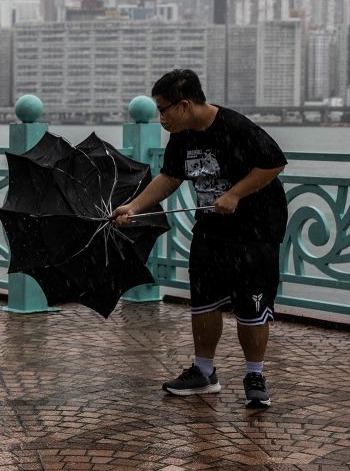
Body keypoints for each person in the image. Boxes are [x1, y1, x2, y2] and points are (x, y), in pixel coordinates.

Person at [111, 69, 287, 408]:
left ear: (185, 104)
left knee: (251, 305)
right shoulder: (183, 133)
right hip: (211, 226)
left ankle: (255, 374)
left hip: (256, 230)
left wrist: (235, 194)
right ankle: (204, 372)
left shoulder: (236, 127)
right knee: (203, 299)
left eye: (163, 109)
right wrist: (133, 206)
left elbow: (274, 163)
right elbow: (170, 177)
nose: (160, 117)